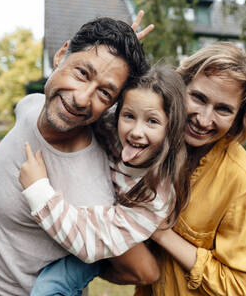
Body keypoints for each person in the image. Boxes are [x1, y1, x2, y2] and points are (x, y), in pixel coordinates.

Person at [0, 16, 156, 295]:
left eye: (105, 93)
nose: (83, 98)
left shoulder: (89, 190)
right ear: (61, 54)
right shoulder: (32, 105)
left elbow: (144, 270)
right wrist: (120, 45)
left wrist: (86, 263)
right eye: (82, 73)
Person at [18, 66, 190, 295]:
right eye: (129, 116)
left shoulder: (155, 196)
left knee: (48, 288)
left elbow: (90, 245)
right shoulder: (109, 128)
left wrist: (38, 191)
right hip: (88, 223)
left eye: (152, 121)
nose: (136, 131)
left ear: (172, 127)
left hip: (106, 241)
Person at [135, 42, 246, 295]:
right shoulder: (155, 141)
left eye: (223, 109)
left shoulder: (240, 177)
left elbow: (237, 286)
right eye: (198, 98)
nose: (204, 120)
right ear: (180, 86)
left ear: (239, 117)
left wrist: (161, 233)